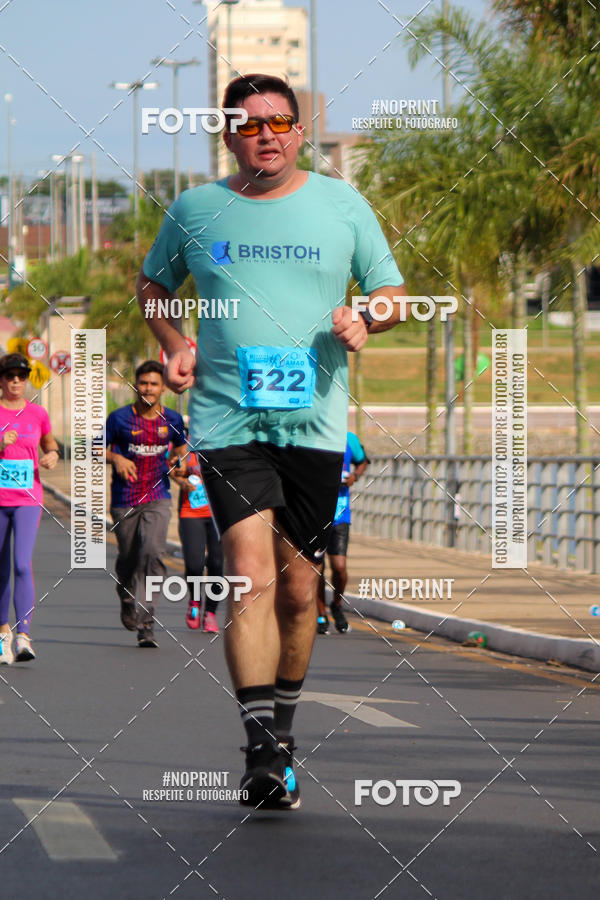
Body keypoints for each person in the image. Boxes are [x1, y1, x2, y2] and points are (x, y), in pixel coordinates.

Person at [137, 73, 408, 809]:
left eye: (280, 122)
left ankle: (283, 731)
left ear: (298, 131)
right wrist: (173, 342)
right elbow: (153, 284)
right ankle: (259, 750)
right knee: (249, 573)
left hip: (315, 426)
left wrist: (367, 319)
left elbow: (391, 291)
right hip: (228, 424)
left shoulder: (341, 204)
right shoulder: (196, 208)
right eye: (251, 124)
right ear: (229, 135)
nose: (267, 134)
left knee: (298, 588)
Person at [106, 360, 187, 648]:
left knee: (153, 553)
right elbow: (95, 448)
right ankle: (126, 597)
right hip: (124, 498)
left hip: (158, 497)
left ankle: (147, 624)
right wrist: (116, 458)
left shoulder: (173, 420)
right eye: (143, 383)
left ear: (163, 388)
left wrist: (179, 463)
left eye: (154, 384)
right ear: (135, 386)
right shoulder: (119, 419)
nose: (148, 389)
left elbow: (180, 449)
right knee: (129, 558)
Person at [0, 353, 59, 664]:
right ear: (1, 380)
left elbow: (50, 445)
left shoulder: (37, 413)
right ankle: (2, 633)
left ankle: (24, 636)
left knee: (22, 563)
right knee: (0, 568)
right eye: (9, 375)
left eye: (21, 376)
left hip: (27, 499)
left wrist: (52, 456)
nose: (15, 381)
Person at [317, 431, 369, 635]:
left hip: (340, 513)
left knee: (339, 567)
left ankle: (336, 605)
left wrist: (355, 476)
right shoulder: (312, 434)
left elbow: (363, 461)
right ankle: (320, 612)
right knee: (316, 568)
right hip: (315, 514)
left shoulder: (350, 438)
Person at [171, 451, 224, 634]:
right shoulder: (187, 447)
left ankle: (210, 613)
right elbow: (172, 468)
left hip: (219, 515)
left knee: (217, 563)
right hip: (191, 513)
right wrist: (182, 481)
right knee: (195, 565)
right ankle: (195, 599)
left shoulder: (225, 445)